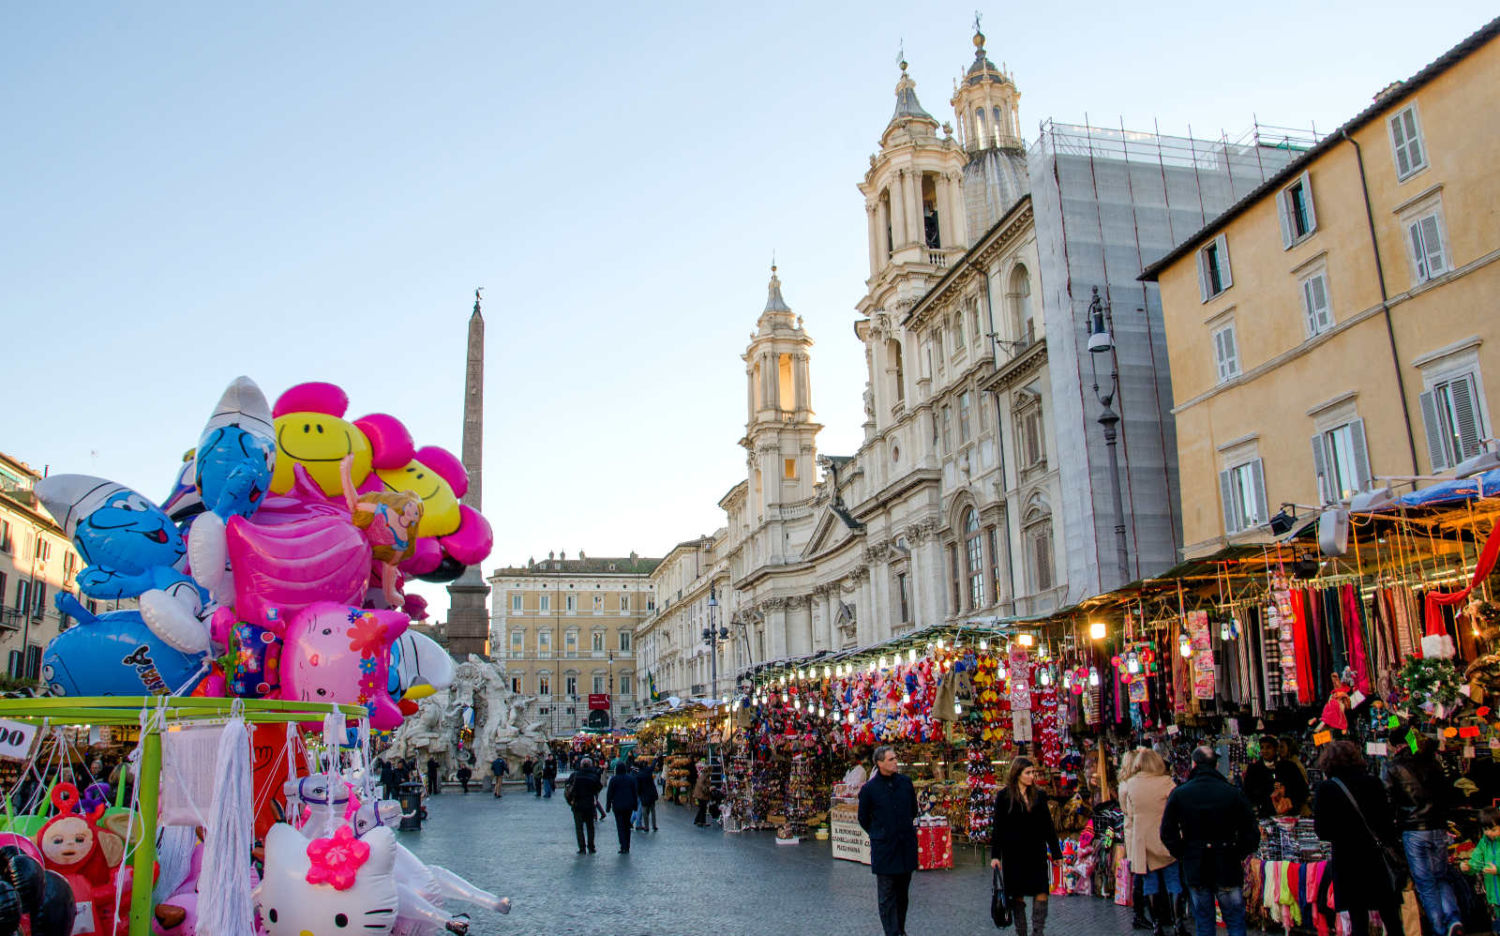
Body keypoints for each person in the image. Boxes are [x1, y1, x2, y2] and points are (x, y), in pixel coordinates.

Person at [1159, 746, 1259, 936]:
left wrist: (1183, 853)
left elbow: (1167, 832)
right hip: (1227, 862)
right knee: (1235, 921)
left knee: (1204, 922)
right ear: (1216, 765)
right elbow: (1251, 832)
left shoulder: (1181, 793)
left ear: (1194, 764)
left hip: (1196, 864)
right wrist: (1238, 852)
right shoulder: (1232, 792)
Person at [1312, 740, 1407, 936]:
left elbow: (1322, 831)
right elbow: (1387, 821)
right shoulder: (1372, 782)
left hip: (1348, 858)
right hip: (1376, 856)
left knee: (1358, 916)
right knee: (1389, 912)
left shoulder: (1326, 788)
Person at [1386, 726, 1463, 936]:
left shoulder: (1393, 767)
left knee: (1425, 882)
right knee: (1441, 876)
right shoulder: (1432, 762)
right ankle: (1453, 920)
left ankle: (1440, 928)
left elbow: (1388, 801)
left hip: (1413, 830)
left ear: (1395, 746)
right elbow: (1447, 793)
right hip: (1437, 827)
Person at [990, 756, 1063, 936]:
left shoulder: (1039, 795)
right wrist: (995, 855)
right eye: (1028, 773)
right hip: (1013, 853)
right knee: (1017, 895)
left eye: (1033, 773)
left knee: (1041, 891)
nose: (1032, 777)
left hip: (1035, 851)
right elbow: (998, 827)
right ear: (1017, 774)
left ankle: (1038, 932)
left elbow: (1048, 826)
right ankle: (1021, 932)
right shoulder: (1004, 796)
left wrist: (1056, 852)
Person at [857, 745, 919, 936]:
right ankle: (892, 932)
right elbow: (863, 818)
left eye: (895, 758)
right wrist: (879, 833)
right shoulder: (869, 789)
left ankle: (900, 929)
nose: (895, 762)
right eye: (891, 759)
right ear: (880, 763)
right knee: (886, 895)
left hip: (905, 846)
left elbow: (913, 810)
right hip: (885, 849)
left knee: (902, 893)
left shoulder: (905, 783)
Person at [1122, 749, 1183, 936]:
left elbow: (1128, 814)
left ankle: (1156, 925)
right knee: (1173, 880)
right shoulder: (1166, 783)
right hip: (1166, 838)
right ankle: (1178, 924)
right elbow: (1177, 811)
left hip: (1142, 840)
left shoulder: (1129, 785)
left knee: (1150, 882)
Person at [1118, 750, 1149, 931]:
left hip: (1134, 831)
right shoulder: (1130, 785)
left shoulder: (1125, 784)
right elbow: (1128, 810)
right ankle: (1139, 913)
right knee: (1140, 872)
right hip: (1136, 830)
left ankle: (1141, 913)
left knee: (1140, 871)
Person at [1461, 805, 1500, 934]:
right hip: (1493, 896)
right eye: (1485, 829)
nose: (1489, 833)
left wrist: (1498, 869)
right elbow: (1476, 861)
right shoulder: (1484, 842)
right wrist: (1468, 867)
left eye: (1493, 829)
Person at [566, 757, 604, 855]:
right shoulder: (593, 776)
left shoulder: (575, 775)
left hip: (578, 805)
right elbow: (599, 787)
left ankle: (582, 848)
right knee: (590, 827)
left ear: (581, 765)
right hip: (589, 804)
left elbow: (569, 788)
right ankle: (591, 847)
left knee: (579, 828)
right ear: (591, 765)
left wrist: (571, 801)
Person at [1240, 734, 1281, 820]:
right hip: (1262, 814)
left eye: (1268, 747)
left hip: (1284, 813)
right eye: (1262, 747)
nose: (1265, 751)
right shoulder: (1253, 769)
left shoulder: (1287, 767)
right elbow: (1247, 792)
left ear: (1275, 749)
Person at [605, 761, 640, 854]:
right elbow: (634, 793)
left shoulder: (614, 780)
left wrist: (608, 806)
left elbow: (609, 794)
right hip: (628, 806)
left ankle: (623, 845)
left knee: (620, 826)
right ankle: (627, 845)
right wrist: (635, 806)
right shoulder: (630, 779)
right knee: (626, 825)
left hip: (618, 806)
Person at [1273, 736, 1311, 817]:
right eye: (1278, 747)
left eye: (1282, 747)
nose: (1279, 750)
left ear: (1289, 748)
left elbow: (1302, 789)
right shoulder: (1286, 763)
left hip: (1298, 810)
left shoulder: (1294, 765)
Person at [634, 759, 659, 831]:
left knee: (644, 811)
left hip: (644, 795)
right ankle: (654, 825)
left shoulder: (639, 775)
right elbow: (653, 766)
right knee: (653, 810)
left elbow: (638, 787)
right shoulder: (648, 771)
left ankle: (646, 826)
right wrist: (655, 759)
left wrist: (638, 794)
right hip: (651, 793)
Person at [692, 759, 712, 826]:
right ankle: (700, 821)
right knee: (702, 808)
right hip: (701, 794)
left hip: (701, 794)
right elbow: (700, 784)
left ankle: (699, 820)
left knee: (702, 808)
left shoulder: (704, 775)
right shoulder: (705, 775)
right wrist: (706, 789)